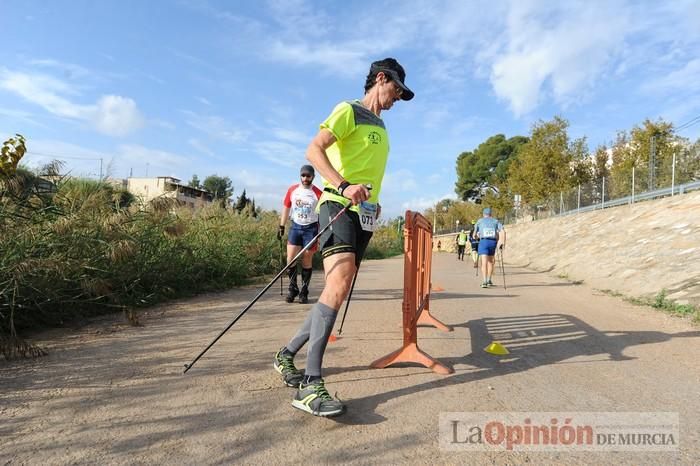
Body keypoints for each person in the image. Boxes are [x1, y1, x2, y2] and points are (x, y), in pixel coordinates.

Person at [273, 57, 413, 417]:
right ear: (381, 79)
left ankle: (286, 354)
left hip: (362, 214)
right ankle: (310, 384)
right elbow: (313, 150)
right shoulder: (349, 110)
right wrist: (344, 185)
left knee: (337, 288)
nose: (397, 98)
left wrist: (373, 203)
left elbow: (367, 170)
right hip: (336, 204)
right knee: (339, 280)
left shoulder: (381, 124)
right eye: (396, 89)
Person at [278, 165, 323, 304]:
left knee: (306, 259)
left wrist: (321, 233)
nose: (305, 178)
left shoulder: (318, 193)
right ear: (300, 176)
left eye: (308, 176)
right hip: (296, 227)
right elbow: (286, 207)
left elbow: (322, 214)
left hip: (311, 229)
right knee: (290, 259)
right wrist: (281, 226)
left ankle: (304, 291)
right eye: (303, 175)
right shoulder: (293, 190)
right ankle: (293, 289)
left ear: (313, 177)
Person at [474, 208, 505, 287]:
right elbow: (502, 231)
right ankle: (489, 280)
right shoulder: (495, 221)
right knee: (490, 262)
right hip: (492, 242)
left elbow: (474, 234)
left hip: (483, 242)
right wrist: (502, 242)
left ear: (483, 214)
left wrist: (476, 237)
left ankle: (484, 281)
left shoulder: (480, 221)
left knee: (484, 262)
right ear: (491, 214)